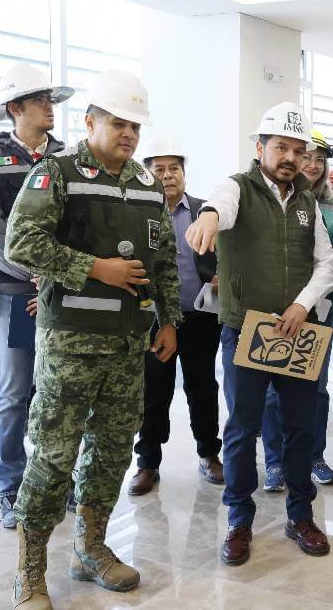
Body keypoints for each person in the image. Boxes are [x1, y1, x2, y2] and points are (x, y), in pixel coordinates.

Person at [5, 70, 181, 609]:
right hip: (70, 344)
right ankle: (29, 572)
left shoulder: (147, 185)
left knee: (110, 452)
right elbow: (20, 242)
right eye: (117, 122)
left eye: (135, 126)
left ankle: (90, 549)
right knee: (54, 457)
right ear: (90, 122)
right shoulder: (56, 173)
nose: (128, 133)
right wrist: (95, 268)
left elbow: (163, 260)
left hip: (128, 345)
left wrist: (168, 319)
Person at [186, 102, 333, 566]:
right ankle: (239, 521)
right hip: (246, 331)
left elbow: (328, 263)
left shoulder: (308, 202)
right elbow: (219, 206)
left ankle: (301, 516)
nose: (291, 157)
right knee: (242, 429)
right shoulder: (237, 188)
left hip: (297, 331)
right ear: (260, 148)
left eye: (299, 150)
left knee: (300, 427)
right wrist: (208, 216)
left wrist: (301, 306)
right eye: (281, 147)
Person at [0, 62, 73, 529]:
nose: (50, 107)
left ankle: (58, 481)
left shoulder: (69, 158)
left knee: (61, 392)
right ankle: (10, 487)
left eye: (50, 99)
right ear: (14, 108)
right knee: (13, 392)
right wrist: (36, 276)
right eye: (39, 100)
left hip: (62, 292)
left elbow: (80, 225)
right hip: (14, 295)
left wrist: (56, 279)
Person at [128, 136, 225, 496]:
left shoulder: (204, 211)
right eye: (159, 169)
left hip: (200, 316)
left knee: (203, 388)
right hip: (153, 318)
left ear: (184, 173)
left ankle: (209, 454)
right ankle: (147, 462)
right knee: (154, 391)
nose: (167, 175)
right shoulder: (138, 213)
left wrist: (222, 273)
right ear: (147, 174)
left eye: (174, 169)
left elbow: (228, 252)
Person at [261, 129, 333, 488]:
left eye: (319, 159)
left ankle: (314, 456)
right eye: (306, 156)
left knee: (315, 385)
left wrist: (311, 297)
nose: (312, 164)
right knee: (272, 389)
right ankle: (275, 462)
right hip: (275, 306)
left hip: (320, 308)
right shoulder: (272, 200)